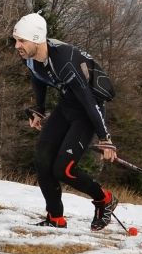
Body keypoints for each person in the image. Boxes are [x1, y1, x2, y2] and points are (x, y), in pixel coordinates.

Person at [12, 12, 119, 231]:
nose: (16, 45)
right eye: (16, 40)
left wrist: (105, 138)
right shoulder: (31, 58)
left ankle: (104, 199)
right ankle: (55, 219)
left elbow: (90, 102)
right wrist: (39, 110)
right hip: (67, 107)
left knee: (64, 169)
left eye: (21, 40)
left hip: (87, 113)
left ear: (37, 38)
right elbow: (37, 78)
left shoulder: (65, 61)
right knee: (42, 160)